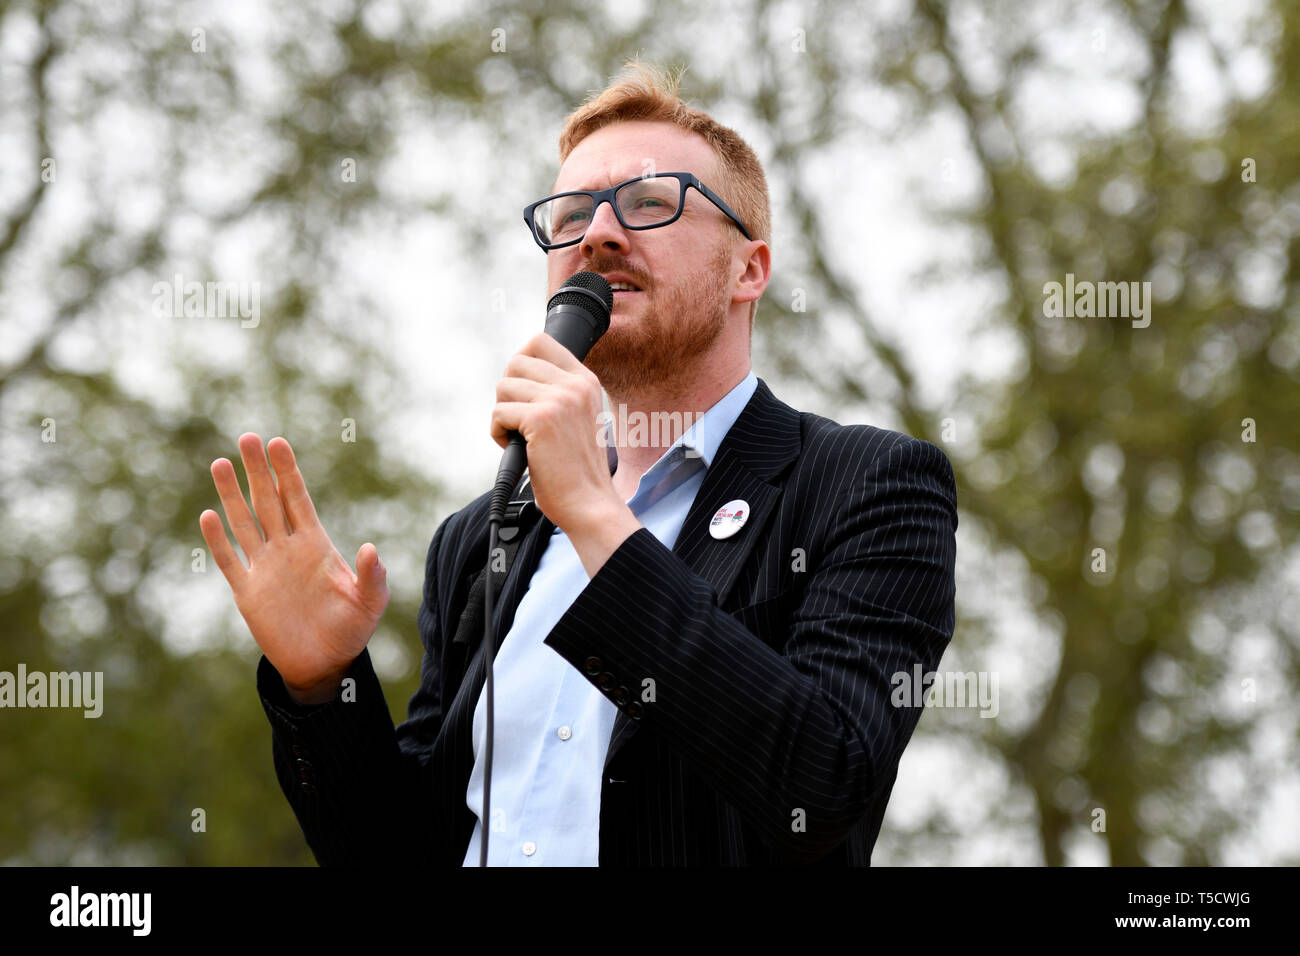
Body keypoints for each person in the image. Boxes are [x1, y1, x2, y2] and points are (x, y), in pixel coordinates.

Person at [199, 62, 958, 866]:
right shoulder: (478, 538)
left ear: (749, 269)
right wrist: (323, 689)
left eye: (649, 203)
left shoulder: (865, 485)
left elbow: (825, 783)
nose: (597, 234)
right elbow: (401, 853)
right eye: (569, 215)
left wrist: (597, 519)